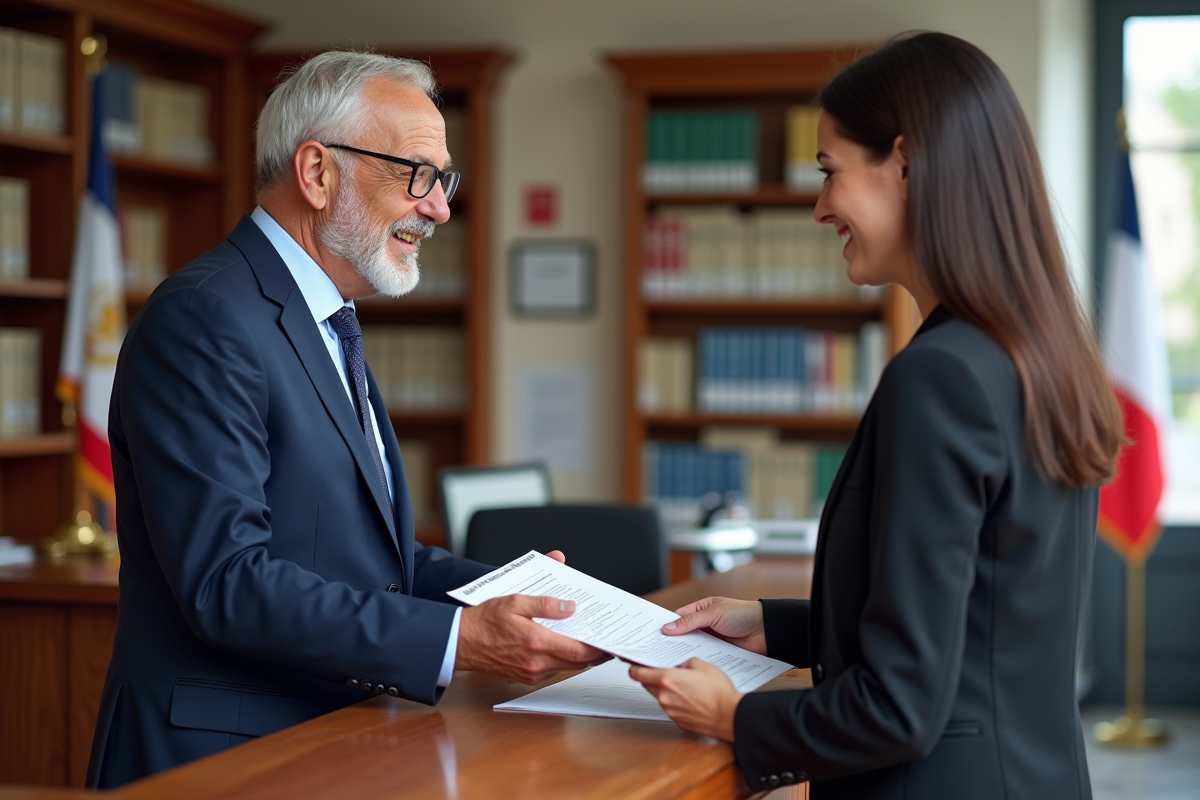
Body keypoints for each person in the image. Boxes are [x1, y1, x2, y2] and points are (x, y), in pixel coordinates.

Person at [86, 51, 604, 788]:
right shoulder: (205, 317)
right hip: (221, 762)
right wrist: (458, 639)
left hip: (331, 743)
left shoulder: (328, 320)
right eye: (417, 174)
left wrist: (522, 599)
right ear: (317, 172)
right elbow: (228, 580)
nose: (439, 208)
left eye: (443, 179)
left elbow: (369, 563)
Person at [630, 32, 1124, 799]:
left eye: (830, 172)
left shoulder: (940, 376)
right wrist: (774, 623)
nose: (821, 207)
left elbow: (900, 707)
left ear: (905, 162)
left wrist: (734, 717)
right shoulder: (1036, 352)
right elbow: (981, 621)